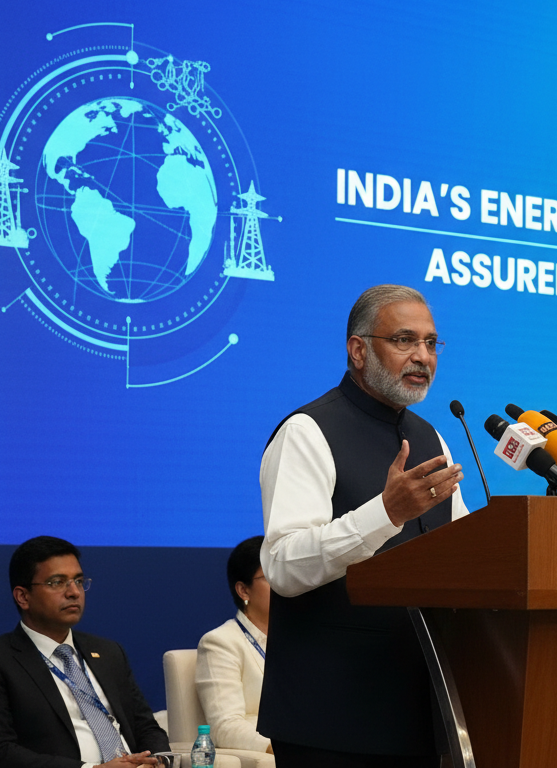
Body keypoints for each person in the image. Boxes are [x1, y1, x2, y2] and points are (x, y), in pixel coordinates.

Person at [258, 284, 467, 768]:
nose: (423, 357)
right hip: (330, 720)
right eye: (404, 340)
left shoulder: (431, 437)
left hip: (420, 715)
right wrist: (386, 513)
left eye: (431, 343)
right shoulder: (308, 431)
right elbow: (284, 566)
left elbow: (462, 552)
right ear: (358, 350)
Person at [0, 535, 168, 768]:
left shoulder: (109, 652)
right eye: (57, 582)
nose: (74, 592)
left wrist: (156, 761)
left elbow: (146, 727)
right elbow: (3, 750)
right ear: (23, 597)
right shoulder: (4, 659)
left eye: (78, 581)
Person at [195, 536, 272, 754]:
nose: (283, 584)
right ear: (244, 591)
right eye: (271, 576)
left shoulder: (300, 639)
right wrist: (284, 750)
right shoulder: (221, 643)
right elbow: (225, 727)